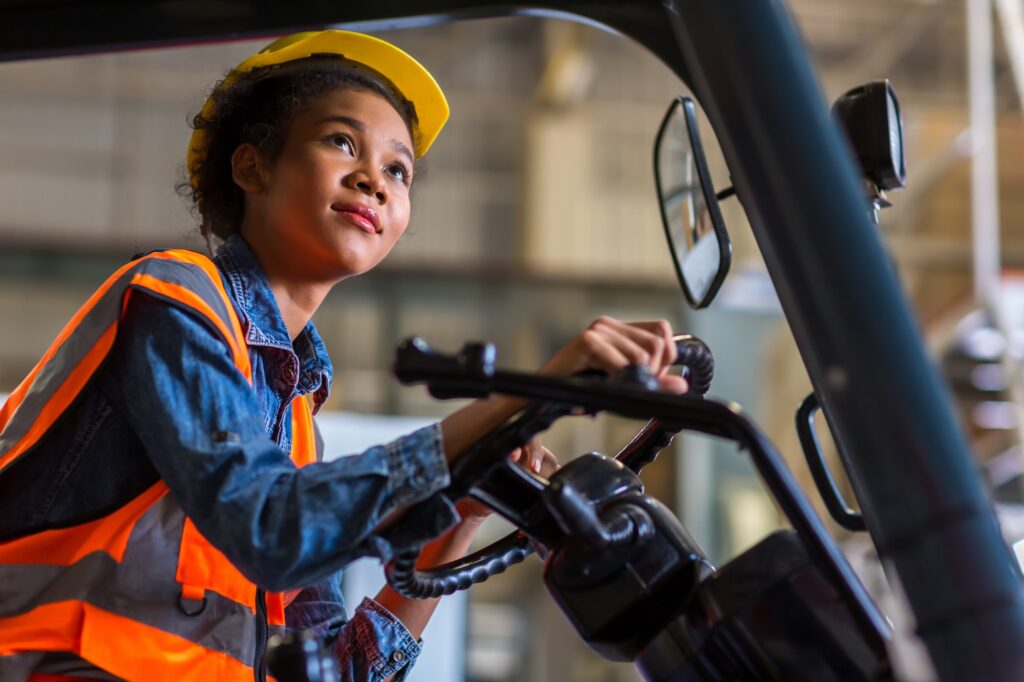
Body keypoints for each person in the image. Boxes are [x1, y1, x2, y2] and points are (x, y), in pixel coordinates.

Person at [0, 30, 687, 681]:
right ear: (252, 166)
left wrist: (463, 512)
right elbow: (267, 524)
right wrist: (522, 397)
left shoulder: (294, 422)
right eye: (340, 142)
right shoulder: (175, 300)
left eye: (398, 169)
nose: (374, 180)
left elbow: (338, 666)